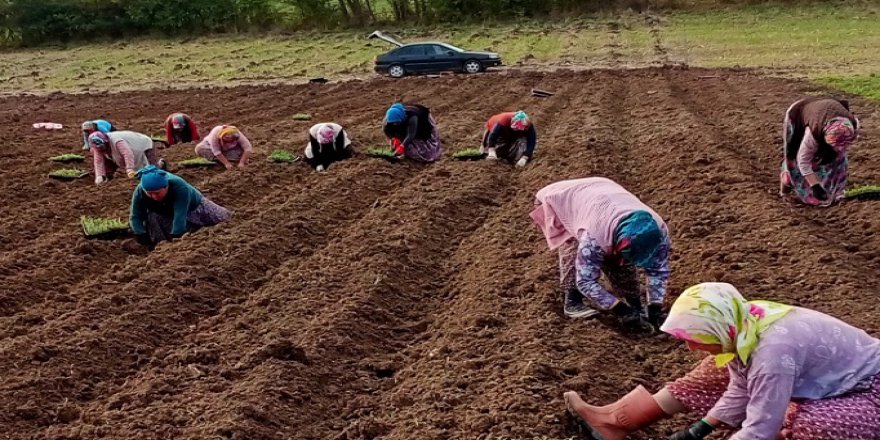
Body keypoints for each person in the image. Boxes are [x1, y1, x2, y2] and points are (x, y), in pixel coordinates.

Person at [564, 282, 880, 440]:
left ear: (717, 326)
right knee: (714, 368)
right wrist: (697, 431)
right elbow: (740, 386)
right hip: (829, 375)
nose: (689, 346)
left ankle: (797, 411)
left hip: (870, 391)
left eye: (693, 337)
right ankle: (615, 422)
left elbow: (760, 428)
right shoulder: (743, 321)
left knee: (807, 426)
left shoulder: (772, 354)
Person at [529, 177, 669, 329]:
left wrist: (654, 308)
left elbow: (658, 270)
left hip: (601, 192)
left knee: (621, 265)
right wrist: (619, 309)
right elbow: (585, 281)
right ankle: (572, 301)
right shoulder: (594, 236)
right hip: (559, 198)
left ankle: (635, 304)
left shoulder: (659, 232)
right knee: (574, 249)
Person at [780, 97, 858, 207]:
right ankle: (785, 192)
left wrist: (834, 151)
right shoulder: (812, 134)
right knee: (792, 160)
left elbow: (841, 150)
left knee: (839, 160)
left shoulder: (852, 126)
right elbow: (803, 161)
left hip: (826, 116)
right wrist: (815, 186)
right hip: (801, 113)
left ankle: (836, 192)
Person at [130, 165, 231, 248]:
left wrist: (177, 234)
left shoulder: (179, 186)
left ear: (166, 187)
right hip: (164, 212)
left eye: (157, 193)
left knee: (225, 219)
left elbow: (180, 213)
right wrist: (140, 233)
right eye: (150, 193)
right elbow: (135, 216)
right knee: (158, 231)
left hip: (194, 206)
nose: (154, 196)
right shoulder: (139, 192)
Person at [88, 131, 164, 185]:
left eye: (104, 147)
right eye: (101, 149)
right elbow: (98, 161)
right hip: (122, 153)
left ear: (106, 141)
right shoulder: (97, 148)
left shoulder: (117, 141)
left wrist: (129, 169)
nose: (103, 150)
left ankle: (161, 164)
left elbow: (127, 154)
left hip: (143, 144)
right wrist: (99, 176)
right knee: (107, 159)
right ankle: (107, 178)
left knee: (153, 170)